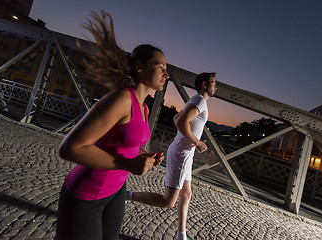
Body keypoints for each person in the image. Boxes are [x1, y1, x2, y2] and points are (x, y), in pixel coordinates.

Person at [56, 10, 168, 240]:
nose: (167, 73)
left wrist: (143, 156)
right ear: (139, 67)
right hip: (86, 194)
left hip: (115, 191)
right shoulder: (122, 99)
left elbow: (122, 143)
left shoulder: (144, 107)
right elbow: (69, 149)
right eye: (160, 67)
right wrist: (127, 163)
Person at [126, 72, 217, 240]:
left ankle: (181, 235)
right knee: (168, 201)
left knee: (187, 194)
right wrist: (197, 142)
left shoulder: (196, 100)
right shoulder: (200, 101)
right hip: (182, 154)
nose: (215, 86)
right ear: (204, 85)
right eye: (213, 83)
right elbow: (181, 122)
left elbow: (176, 118)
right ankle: (127, 195)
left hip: (185, 154)